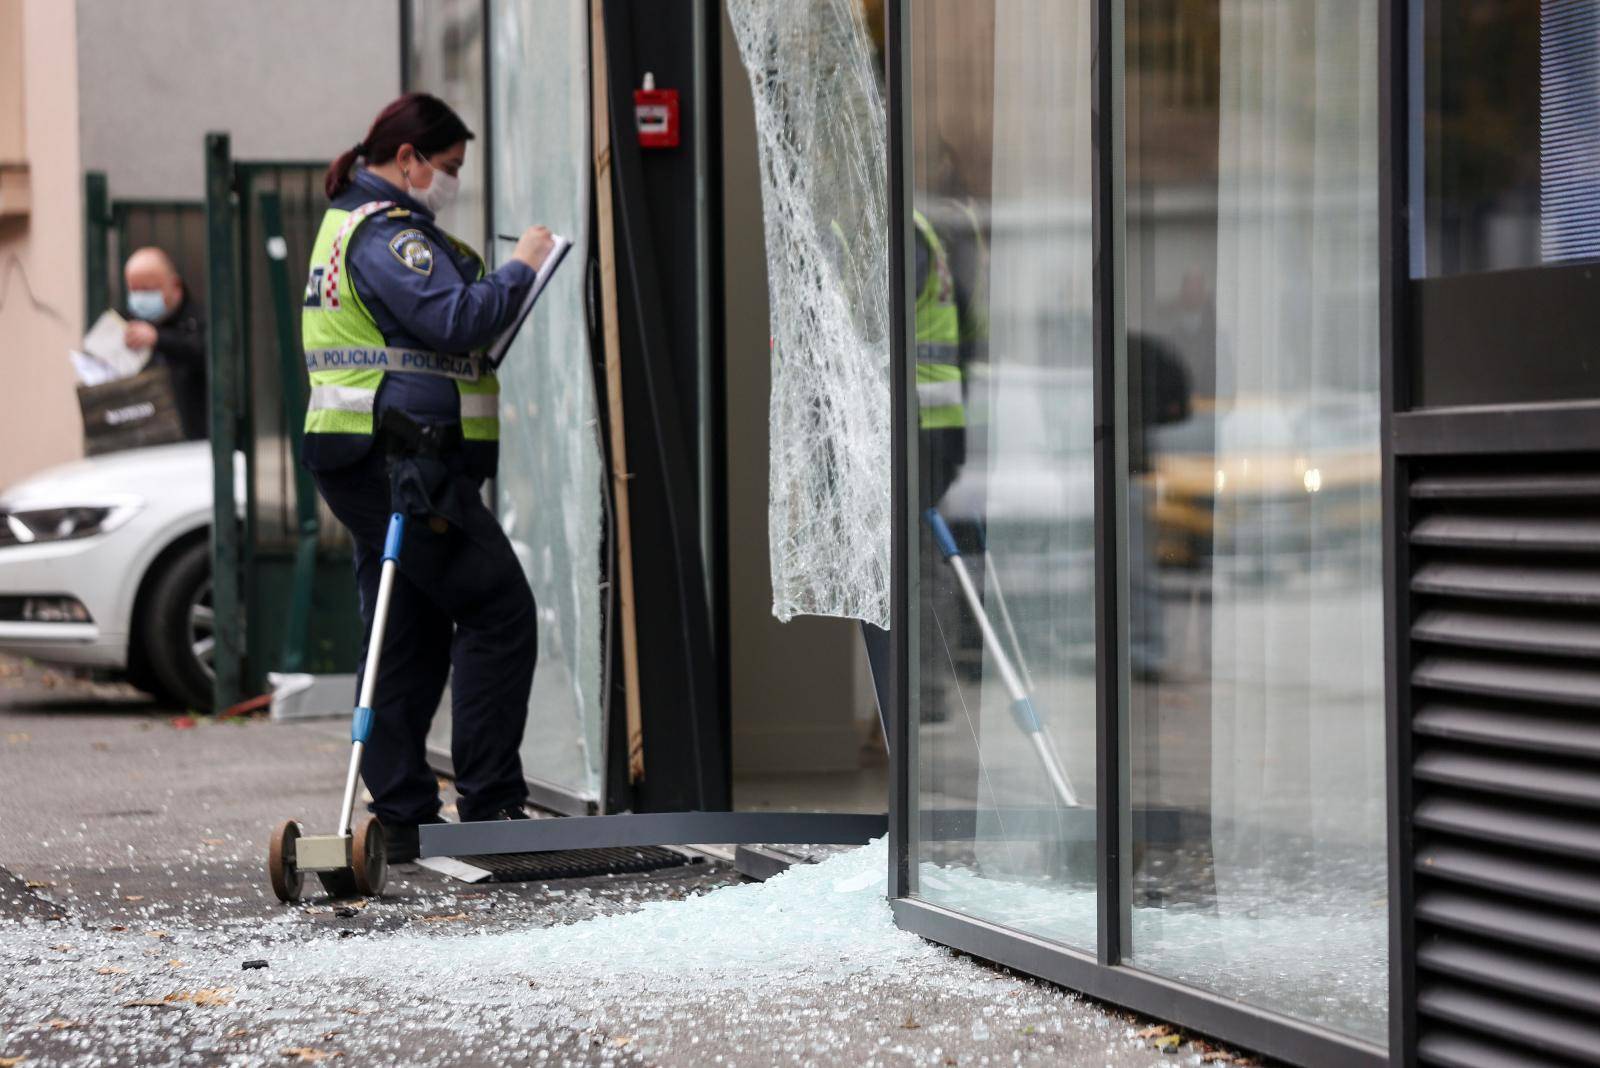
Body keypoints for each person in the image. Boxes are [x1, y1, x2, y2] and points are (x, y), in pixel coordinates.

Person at [301, 92, 556, 863]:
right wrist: (522, 269)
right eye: (446, 168)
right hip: (399, 461)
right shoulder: (385, 235)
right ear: (405, 158)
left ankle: (406, 814)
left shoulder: (360, 226)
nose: (450, 182)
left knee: (405, 625)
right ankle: (491, 804)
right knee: (497, 607)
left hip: (377, 456)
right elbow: (454, 319)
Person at [123, 247, 207, 440]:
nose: (140, 298)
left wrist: (159, 339)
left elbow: (203, 353)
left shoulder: (198, 321)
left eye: (148, 289)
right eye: (134, 290)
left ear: (175, 286)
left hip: (192, 440)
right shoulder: (126, 324)